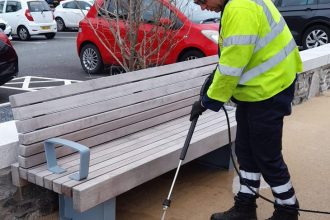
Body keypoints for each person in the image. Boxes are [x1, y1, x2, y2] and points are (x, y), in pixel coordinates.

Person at [190, 0, 303, 219]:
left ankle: (288, 210)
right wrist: (214, 80)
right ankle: (245, 207)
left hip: (269, 88)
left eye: (202, 1)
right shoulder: (235, 4)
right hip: (257, 88)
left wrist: (208, 101)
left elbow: (232, 66)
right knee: (246, 150)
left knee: (266, 154)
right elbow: (235, 54)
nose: (202, 7)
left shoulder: (240, 8)